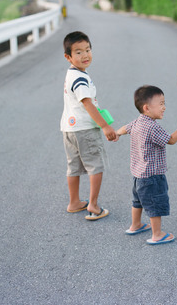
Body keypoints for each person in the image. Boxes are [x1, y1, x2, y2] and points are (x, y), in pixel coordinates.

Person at [117, 85, 177, 245]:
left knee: (137, 201)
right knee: (154, 204)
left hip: (138, 175)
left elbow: (125, 128)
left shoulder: (137, 122)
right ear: (147, 108)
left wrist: (115, 133)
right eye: (161, 104)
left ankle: (135, 225)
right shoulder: (152, 127)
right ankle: (157, 234)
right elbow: (171, 140)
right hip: (152, 177)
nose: (164, 107)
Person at [60, 31, 117, 221]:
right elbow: (88, 104)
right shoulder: (80, 78)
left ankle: (74, 202)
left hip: (69, 128)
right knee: (95, 166)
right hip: (84, 129)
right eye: (78, 52)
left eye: (88, 49)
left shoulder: (72, 74)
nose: (85, 55)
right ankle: (93, 205)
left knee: (73, 166)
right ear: (68, 57)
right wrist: (105, 127)